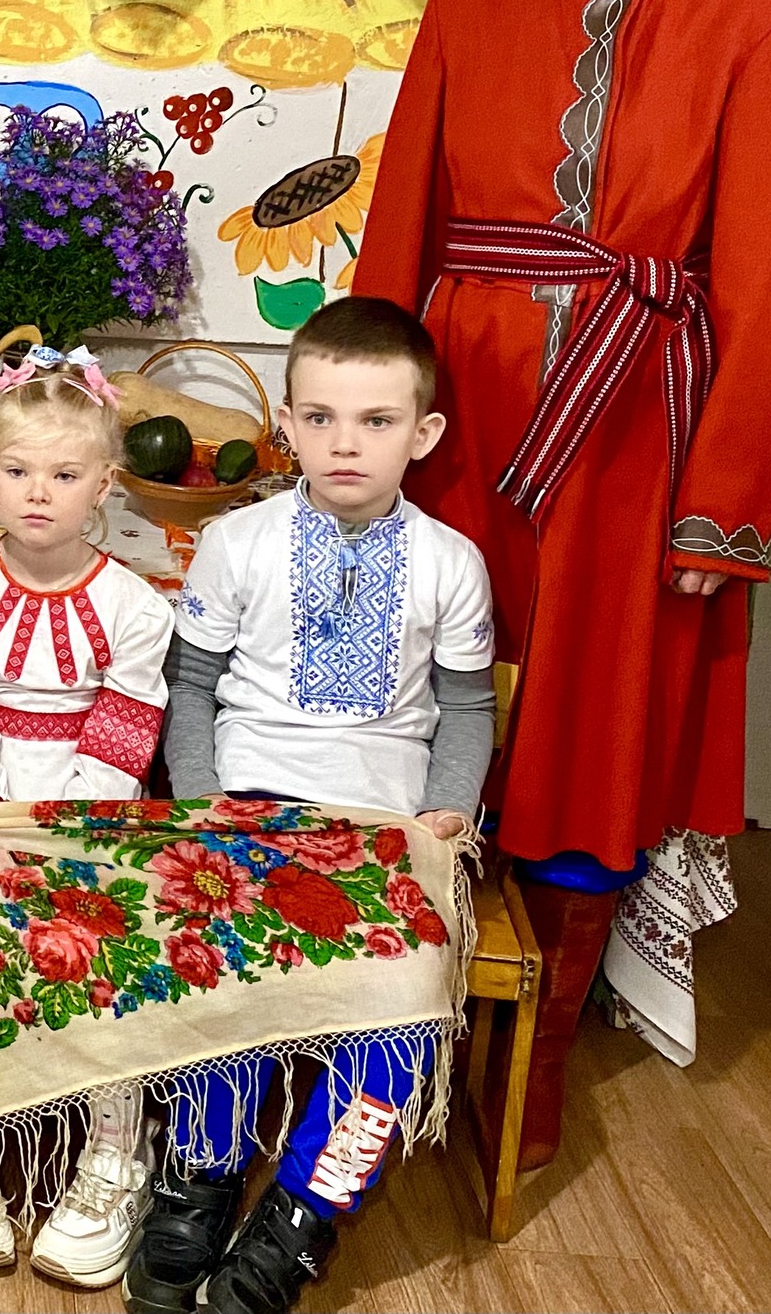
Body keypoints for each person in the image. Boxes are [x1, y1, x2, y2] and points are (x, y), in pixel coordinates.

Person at [350, 0, 771, 1150]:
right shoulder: (462, 17)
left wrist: (719, 507)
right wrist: (361, 437)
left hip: (639, 438)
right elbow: (392, 246)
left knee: (591, 728)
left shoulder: (761, 27)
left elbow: (759, 280)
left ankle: (527, 1069)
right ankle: (386, 1024)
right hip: (463, 419)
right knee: (426, 692)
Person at [123, 298, 493, 1314]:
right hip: (247, 802)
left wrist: (446, 811)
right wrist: (201, 802)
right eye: (321, 417)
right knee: (218, 960)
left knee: (404, 1000)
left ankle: (304, 1209)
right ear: (285, 423)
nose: (345, 443)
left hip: (386, 823)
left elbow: (466, 707)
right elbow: (191, 685)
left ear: (423, 433)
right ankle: (199, 1174)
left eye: (376, 420)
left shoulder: (450, 561)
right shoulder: (236, 541)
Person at [0, 346, 173, 1288]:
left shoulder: (134, 606)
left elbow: (125, 730)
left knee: (110, 942)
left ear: (104, 484)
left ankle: (115, 1147)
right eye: (18, 471)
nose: (37, 493)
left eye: (65, 476)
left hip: (88, 810)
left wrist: (62, 824)